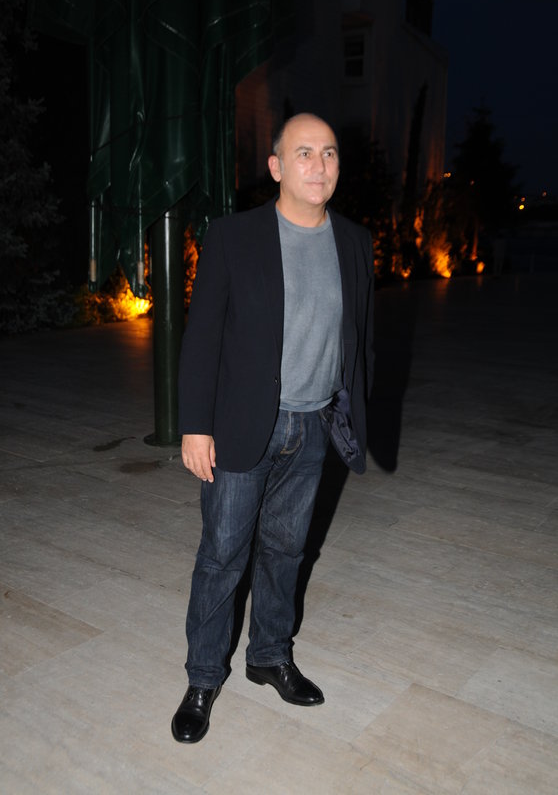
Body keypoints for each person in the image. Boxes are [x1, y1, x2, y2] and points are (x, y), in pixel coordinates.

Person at [171, 113, 374, 743]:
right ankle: (203, 677)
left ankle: (269, 655)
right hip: (241, 425)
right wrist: (195, 426)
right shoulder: (234, 236)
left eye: (329, 153)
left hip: (313, 428)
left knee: (286, 551)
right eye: (304, 153)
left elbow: (359, 339)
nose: (319, 165)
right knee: (222, 555)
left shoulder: (354, 242)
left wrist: (352, 414)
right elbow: (203, 336)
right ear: (277, 167)